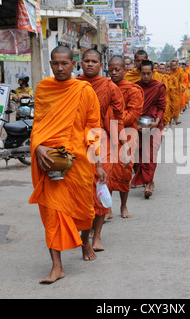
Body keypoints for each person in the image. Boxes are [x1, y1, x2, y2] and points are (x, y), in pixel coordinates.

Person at [29, 45, 104, 284]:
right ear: (50, 64)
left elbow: (93, 127)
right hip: (50, 160)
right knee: (52, 211)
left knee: (82, 207)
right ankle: (57, 267)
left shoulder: (84, 90)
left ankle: (84, 244)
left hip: (79, 160)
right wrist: (38, 146)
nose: (60, 68)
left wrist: (98, 162)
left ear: (74, 65)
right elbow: (38, 124)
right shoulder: (43, 88)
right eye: (55, 64)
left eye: (65, 64)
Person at [77, 49, 126, 253]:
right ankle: (81, 231)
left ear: (100, 64)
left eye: (94, 61)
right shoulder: (74, 85)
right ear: (80, 63)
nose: (90, 64)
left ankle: (96, 236)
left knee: (100, 188)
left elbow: (119, 113)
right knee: (81, 190)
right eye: (87, 61)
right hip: (78, 142)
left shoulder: (109, 86)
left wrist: (120, 140)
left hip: (103, 142)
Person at [107, 56, 144, 219]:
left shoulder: (133, 90)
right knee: (105, 171)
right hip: (107, 133)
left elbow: (134, 113)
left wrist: (114, 119)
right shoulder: (104, 87)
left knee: (124, 171)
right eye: (111, 70)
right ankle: (107, 209)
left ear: (124, 70)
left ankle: (123, 206)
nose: (114, 73)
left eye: (117, 70)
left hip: (127, 134)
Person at [132, 60, 166, 199]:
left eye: (149, 73)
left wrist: (157, 121)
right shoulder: (135, 87)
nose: (146, 76)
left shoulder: (159, 87)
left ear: (153, 72)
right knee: (140, 157)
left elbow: (161, 106)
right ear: (139, 73)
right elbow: (132, 108)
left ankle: (147, 184)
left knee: (151, 154)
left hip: (154, 125)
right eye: (143, 73)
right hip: (138, 125)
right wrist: (135, 124)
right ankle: (149, 181)